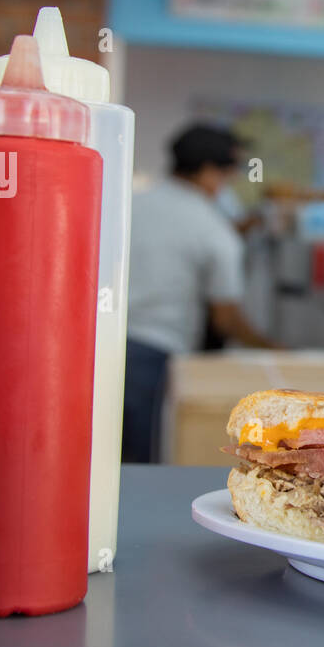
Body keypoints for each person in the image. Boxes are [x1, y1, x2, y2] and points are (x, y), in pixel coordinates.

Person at [123, 124, 277, 463]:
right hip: (155, 358)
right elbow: (227, 319)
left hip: (99, 349)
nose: (231, 181)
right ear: (208, 172)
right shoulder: (212, 229)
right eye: (229, 172)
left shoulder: (128, 203)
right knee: (142, 465)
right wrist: (275, 351)